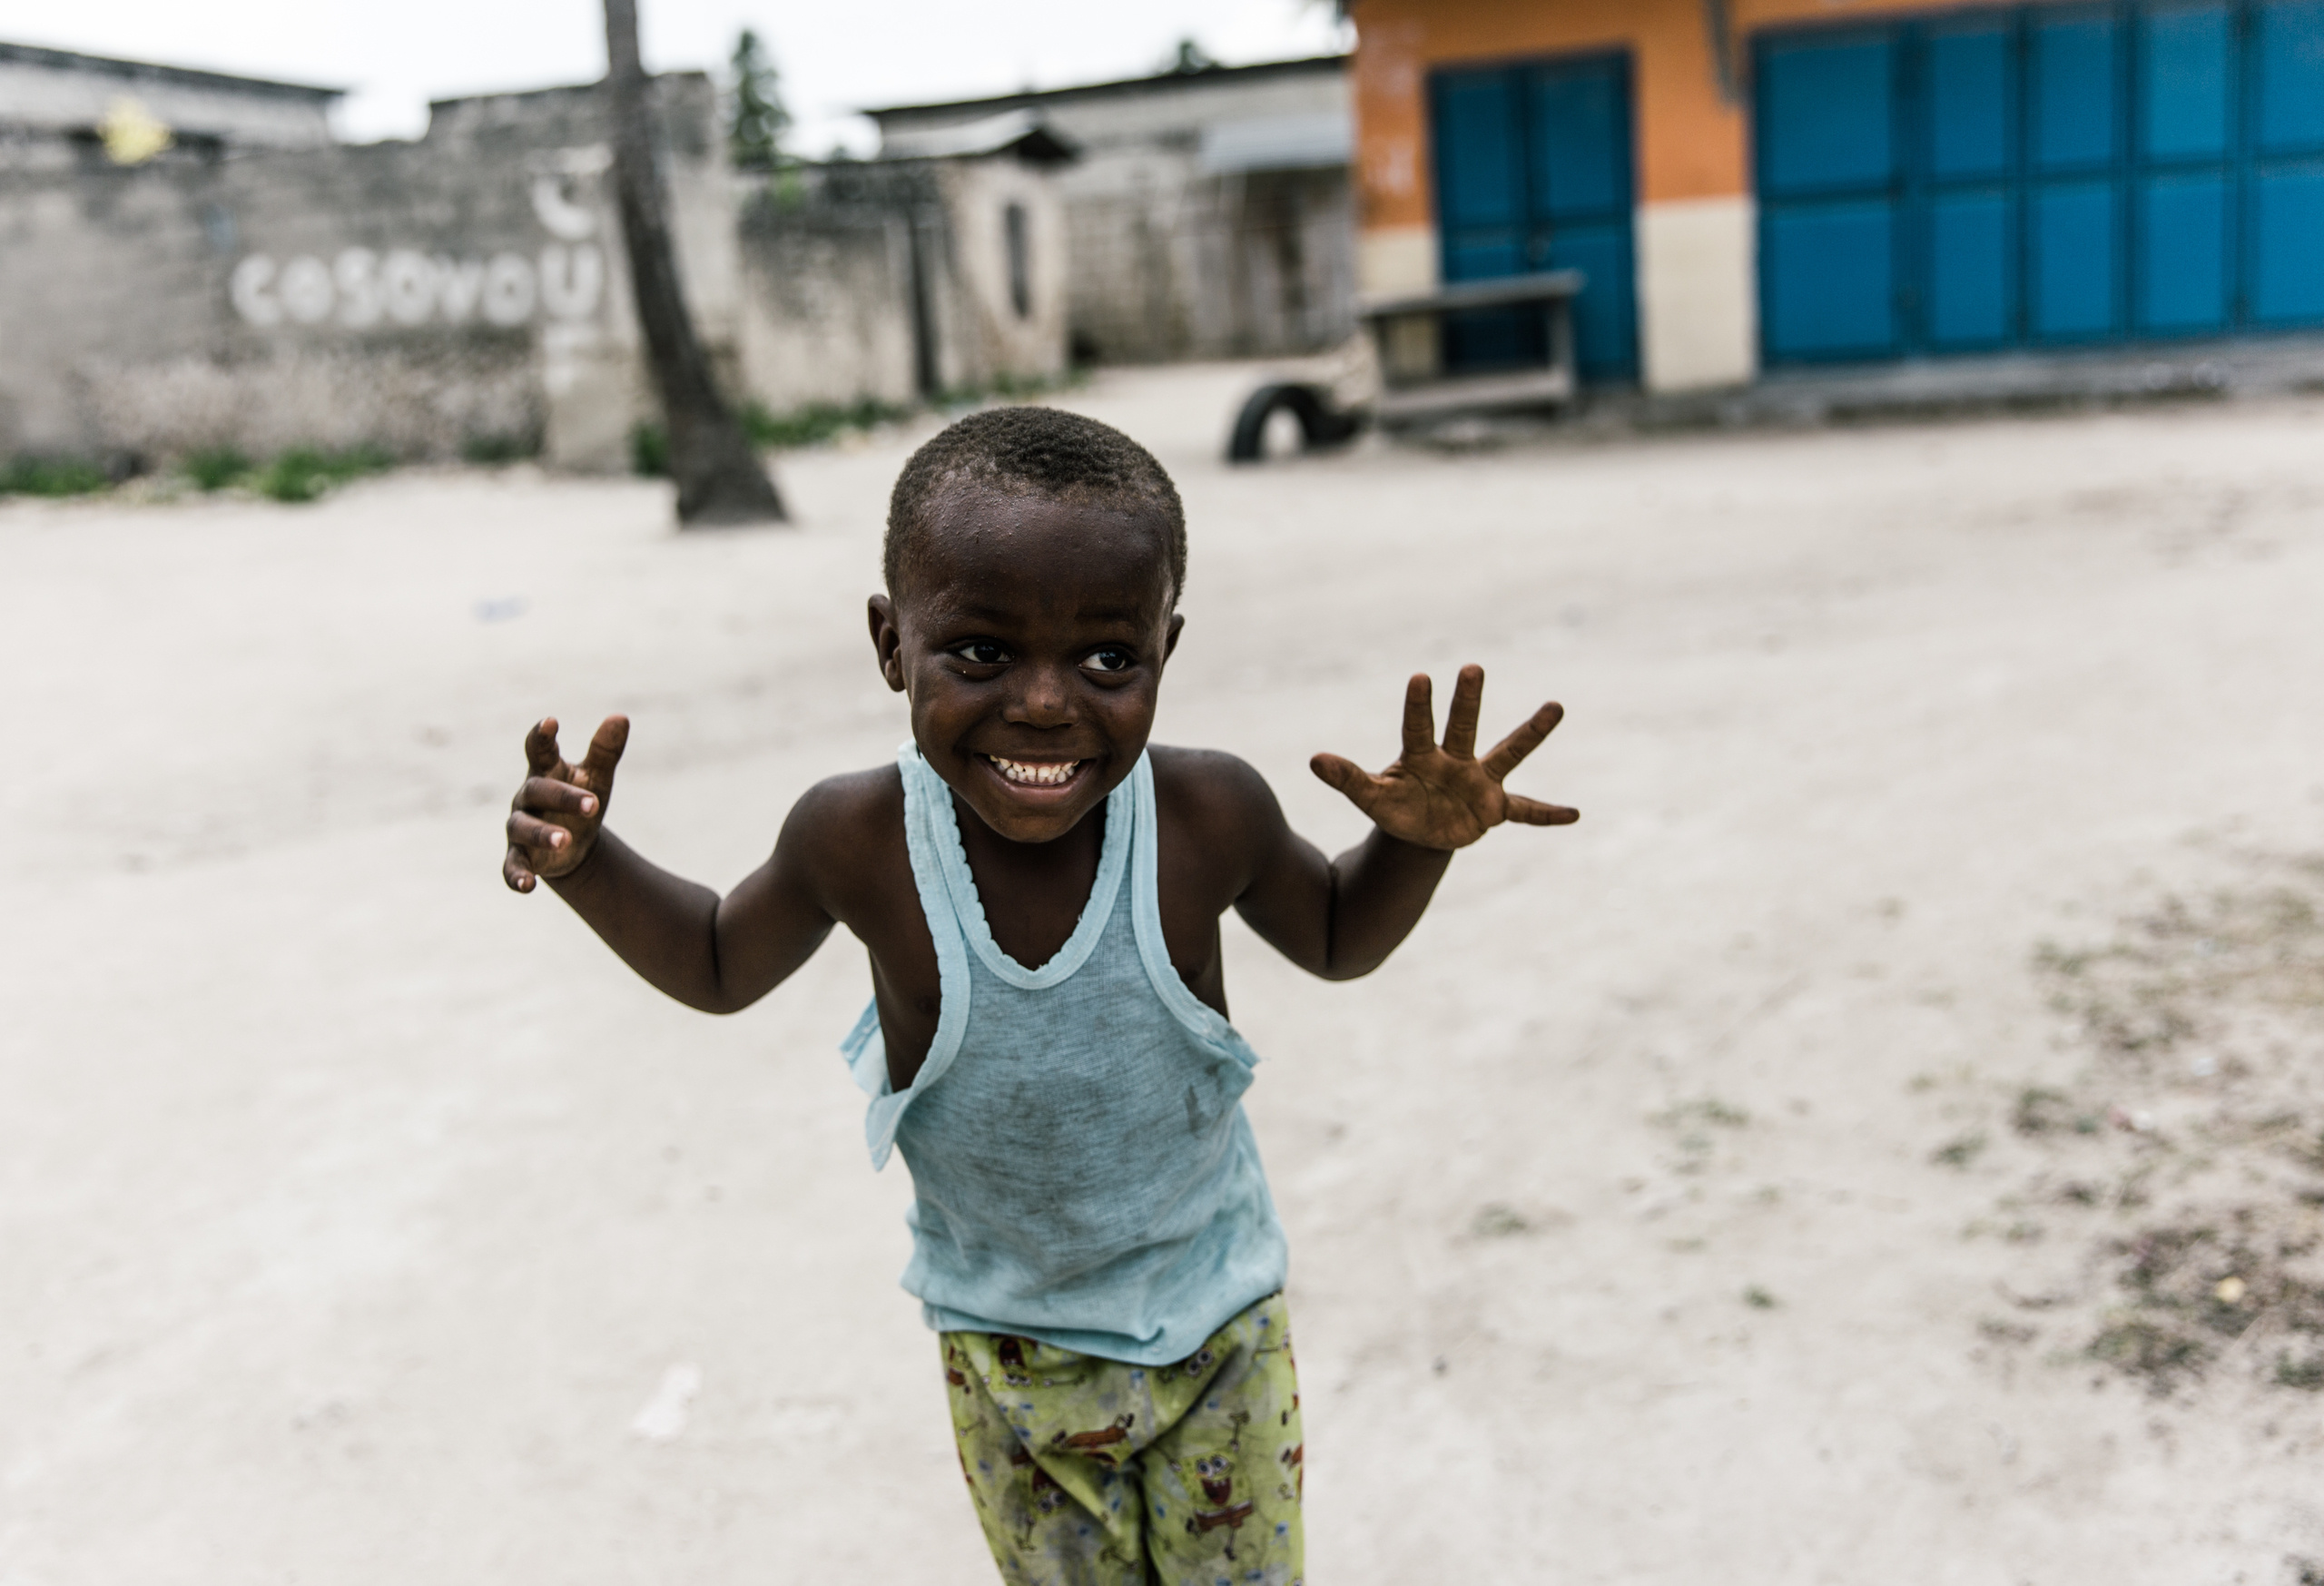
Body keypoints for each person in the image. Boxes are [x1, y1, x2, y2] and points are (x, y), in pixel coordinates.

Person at [501, 406, 1575, 1585]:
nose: (1049, 705)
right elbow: (715, 961)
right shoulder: (857, 839)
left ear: (1168, 646)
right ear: (889, 644)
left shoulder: (1207, 817)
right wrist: (588, 866)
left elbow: (1332, 936)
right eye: (981, 652)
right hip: (1008, 1355)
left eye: (1109, 659)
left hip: (1218, 1330)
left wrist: (1416, 846)